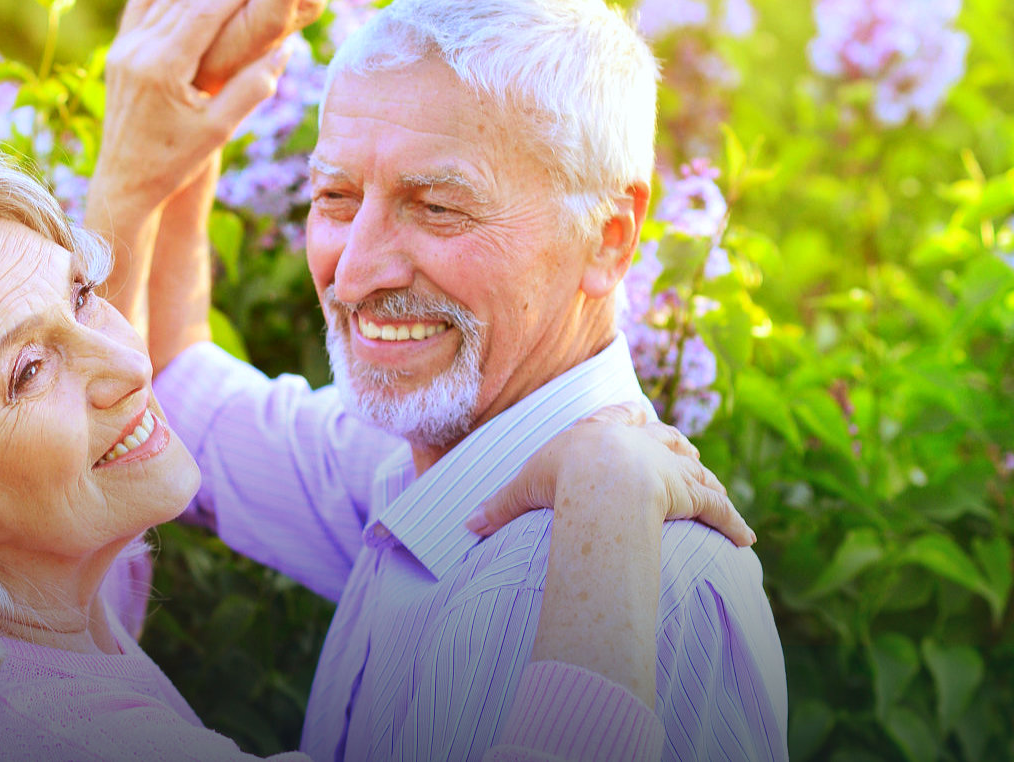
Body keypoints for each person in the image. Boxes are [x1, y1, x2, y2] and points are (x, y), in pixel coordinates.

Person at [0, 136, 752, 760]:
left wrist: (163, 156)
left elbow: (170, 373)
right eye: (29, 370)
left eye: (82, 290)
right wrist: (605, 489)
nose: (119, 362)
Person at [86, 0, 789, 760]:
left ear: (609, 238)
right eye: (335, 197)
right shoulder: (413, 468)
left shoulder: (654, 592)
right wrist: (185, 112)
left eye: (438, 207)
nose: (352, 273)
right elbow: (160, 392)